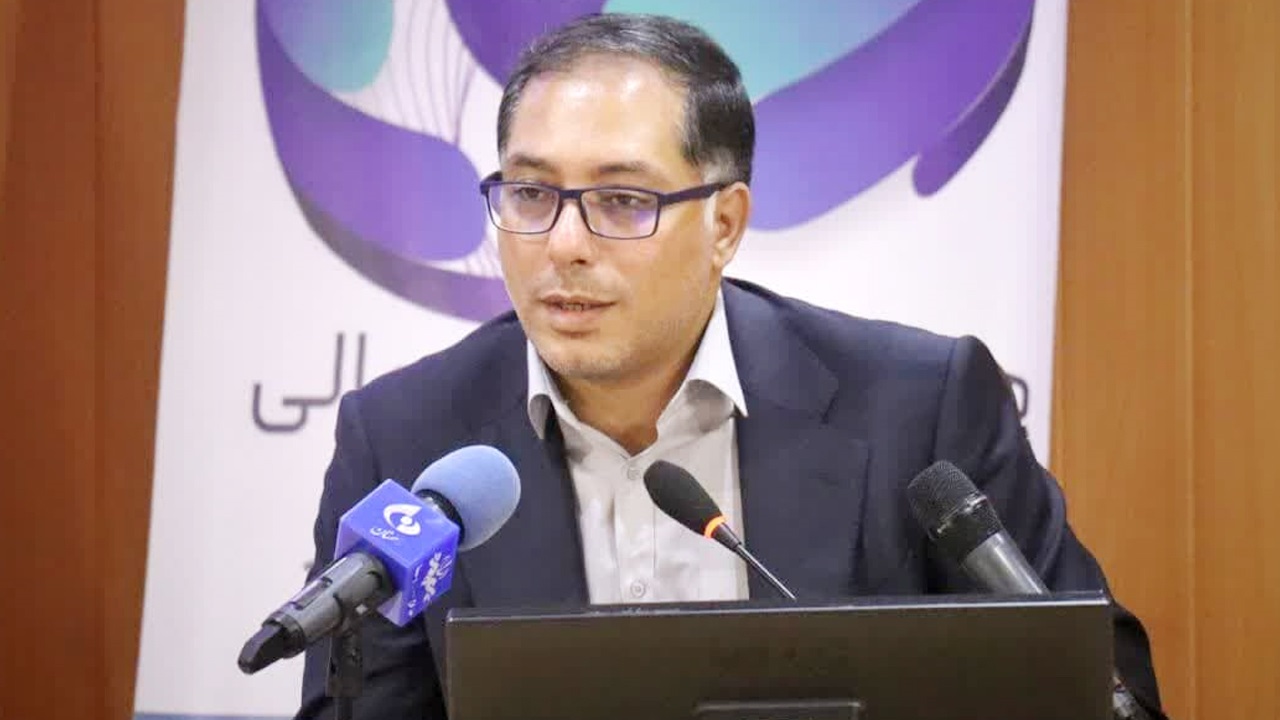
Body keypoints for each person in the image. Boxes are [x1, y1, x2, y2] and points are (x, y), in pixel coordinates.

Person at [298, 13, 1164, 720]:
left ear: (724, 224)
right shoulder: (405, 437)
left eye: (622, 200)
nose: (562, 245)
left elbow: (1098, 688)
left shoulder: (919, 406)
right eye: (530, 194)